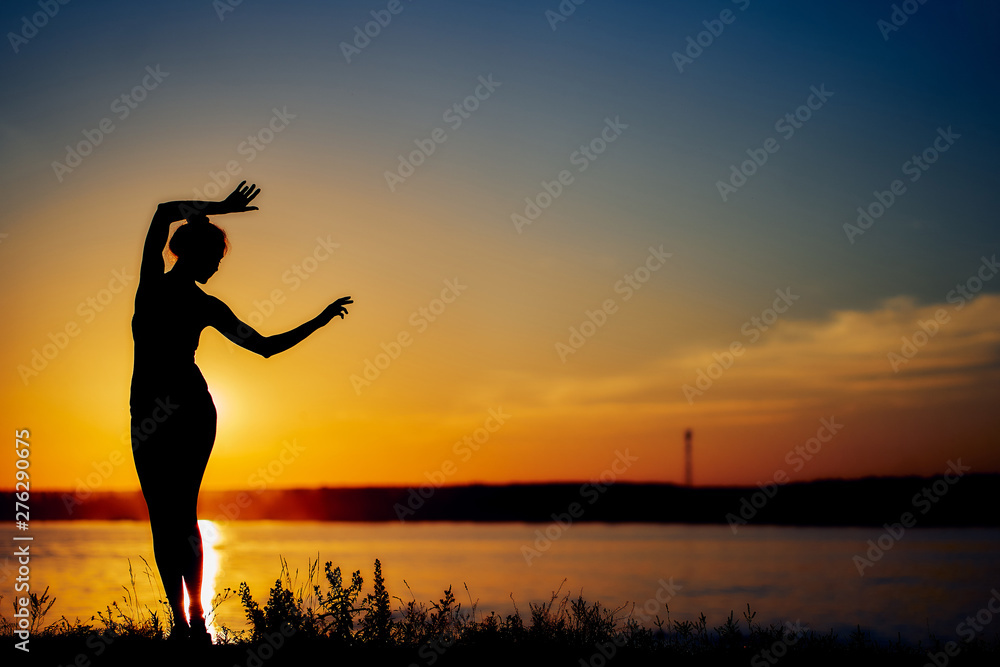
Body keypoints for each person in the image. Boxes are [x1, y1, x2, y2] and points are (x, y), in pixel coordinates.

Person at [129, 181, 352, 643]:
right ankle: (183, 625)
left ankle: (192, 625)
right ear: (190, 253)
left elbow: (266, 348)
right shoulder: (162, 286)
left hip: (184, 411)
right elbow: (164, 210)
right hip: (155, 410)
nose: (217, 265)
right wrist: (222, 208)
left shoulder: (193, 300)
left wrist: (321, 318)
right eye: (215, 258)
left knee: (177, 515)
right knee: (167, 516)